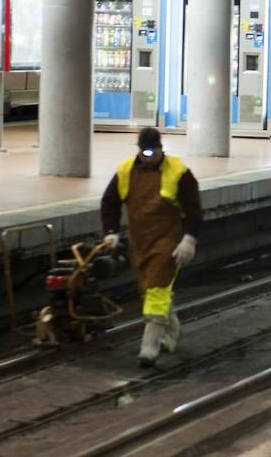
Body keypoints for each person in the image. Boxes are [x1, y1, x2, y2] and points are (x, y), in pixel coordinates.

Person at [100, 127, 202, 367]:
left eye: (153, 152)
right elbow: (110, 202)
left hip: (169, 240)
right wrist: (111, 232)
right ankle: (172, 330)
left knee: (157, 287)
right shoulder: (125, 170)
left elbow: (193, 210)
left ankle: (150, 346)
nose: (149, 157)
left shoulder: (179, 173)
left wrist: (189, 239)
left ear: (160, 149)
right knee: (149, 289)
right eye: (144, 152)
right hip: (140, 241)